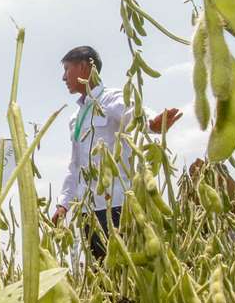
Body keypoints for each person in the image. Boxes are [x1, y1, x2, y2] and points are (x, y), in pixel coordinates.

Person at [50, 46, 182, 259]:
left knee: (125, 270)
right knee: (100, 275)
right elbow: (75, 166)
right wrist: (63, 204)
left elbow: (133, 113)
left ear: (84, 66)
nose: (63, 77)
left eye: (67, 69)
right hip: (88, 211)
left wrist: (152, 124)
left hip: (118, 206)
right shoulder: (76, 117)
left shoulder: (110, 99)